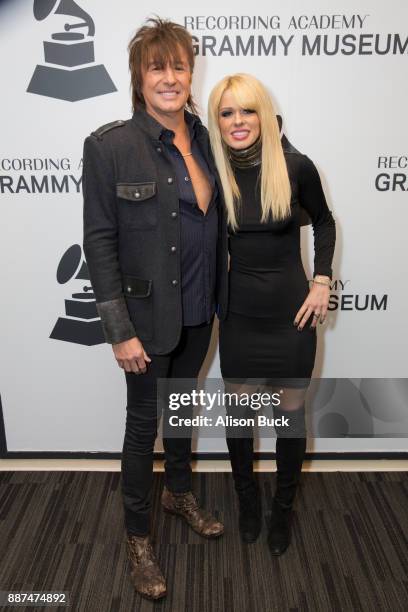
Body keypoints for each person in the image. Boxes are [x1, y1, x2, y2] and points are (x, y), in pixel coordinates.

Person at [82, 18, 228, 600]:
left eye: (179, 66)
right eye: (156, 68)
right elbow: (99, 242)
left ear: (192, 75)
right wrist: (119, 330)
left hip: (201, 309)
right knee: (143, 429)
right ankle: (137, 538)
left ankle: (180, 492)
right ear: (139, 78)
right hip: (146, 322)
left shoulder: (212, 137)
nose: (169, 78)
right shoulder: (110, 146)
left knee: (184, 411)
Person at [208, 74, 336, 555]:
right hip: (239, 315)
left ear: (264, 114)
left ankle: (281, 509)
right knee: (239, 415)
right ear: (216, 122)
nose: (238, 121)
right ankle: (246, 500)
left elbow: (323, 221)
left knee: (289, 416)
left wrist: (322, 280)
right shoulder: (213, 171)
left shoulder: (296, 166)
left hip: (292, 316)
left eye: (247, 111)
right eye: (227, 113)